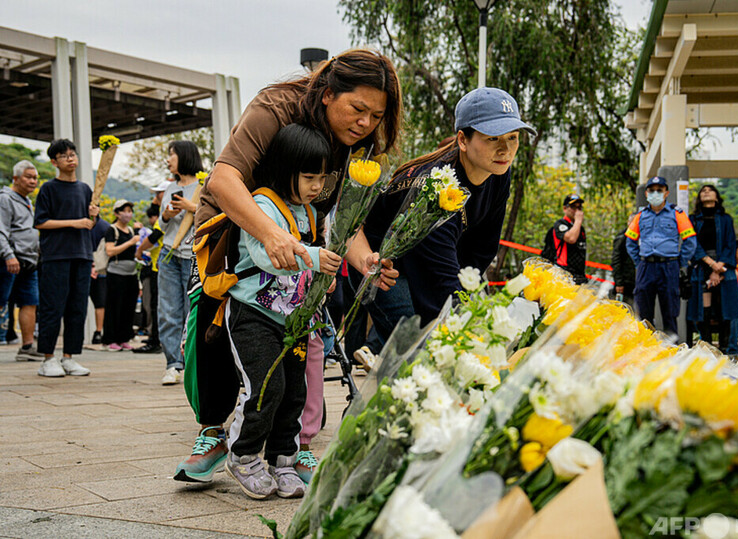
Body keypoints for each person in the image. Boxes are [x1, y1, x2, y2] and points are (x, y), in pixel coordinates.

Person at [173, 48, 402, 485]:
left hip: (290, 254)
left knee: (293, 361)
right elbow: (223, 180)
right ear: (328, 94)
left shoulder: (352, 146)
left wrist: (366, 260)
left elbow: (340, 219)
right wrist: (269, 233)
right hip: (232, 232)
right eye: (358, 109)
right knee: (218, 333)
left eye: (376, 116)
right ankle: (213, 432)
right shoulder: (275, 106)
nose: (365, 123)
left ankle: (289, 447)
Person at [346, 86, 536, 359]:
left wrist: (469, 298)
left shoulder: (499, 173)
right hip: (384, 268)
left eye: (513, 137)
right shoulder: (437, 187)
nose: (505, 149)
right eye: (493, 137)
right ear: (462, 140)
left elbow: (481, 249)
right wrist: (466, 316)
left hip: (429, 265)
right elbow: (440, 280)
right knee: (421, 354)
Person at [223, 123, 341, 499]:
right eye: (309, 177)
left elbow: (304, 264)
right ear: (284, 168)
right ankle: (242, 456)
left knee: (295, 391)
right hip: (252, 315)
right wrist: (317, 258)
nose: (316, 186)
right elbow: (267, 256)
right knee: (266, 387)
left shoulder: (307, 211)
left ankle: (283, 460)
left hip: (291, 319)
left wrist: (321, 278)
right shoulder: (261, 206)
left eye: (322, 178)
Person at [34, 139, 98, 377]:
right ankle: (48, 358)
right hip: (56, 256)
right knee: (53, 307)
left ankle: (69, 357)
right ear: (54, 162)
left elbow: (92, 225)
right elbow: (40, 221)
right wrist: (75, 222)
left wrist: (94, 215)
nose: (70, 158)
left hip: (82, 255)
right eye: (64, 156)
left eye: (73, 154)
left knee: (77, 308)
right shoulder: (48, 189)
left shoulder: (84, 189)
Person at [625, 176, 697, 336]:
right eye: (652, 190)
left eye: (659, 190)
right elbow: (630, 241)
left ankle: (671, 352)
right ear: (646, 193)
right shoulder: (640, 216)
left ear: (666, 193)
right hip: (646, 266)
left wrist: (680, 262)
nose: (655, 193)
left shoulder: (678, 214)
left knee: (670, 312)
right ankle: (644, 349)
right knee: (644, 312)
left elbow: (690, 241)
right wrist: (639, 263)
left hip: (669, 266)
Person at [158, 140, 203, 385]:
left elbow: (213, 215)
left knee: (191, 311)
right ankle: (172, 364)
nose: (168, 160)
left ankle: (190, 363)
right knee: (167, 310)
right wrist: (166, 215)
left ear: (184, 156)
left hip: (194, 255)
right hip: (168, 254)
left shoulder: (204, 185)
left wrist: (191, 207)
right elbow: (161, 223)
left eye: (171, 155)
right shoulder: (169, 187)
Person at [686, 184, 738, 352]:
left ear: (717, 197)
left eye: (710, 190)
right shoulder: (693, 219)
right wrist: (711, 265)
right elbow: (692, 243)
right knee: (704, 312)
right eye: (703, 191)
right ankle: (708, 348)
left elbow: (730, 244)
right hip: (703, 265)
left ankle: (724, 349)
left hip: (723, 267)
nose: (706, 192)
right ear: (699, 198)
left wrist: (719, 267)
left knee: (726, 310)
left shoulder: (725, 219)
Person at [0, 160, 44, 361]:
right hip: (9, 259)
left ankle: (27, 347)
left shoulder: (28, 202)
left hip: (29, 260)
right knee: (1, 301)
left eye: (35, 177)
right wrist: (8, 255)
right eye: (28, 177)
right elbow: (1, 230)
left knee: (30, 302)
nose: (33, 181)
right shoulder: (5, 199)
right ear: (15, 178)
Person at [101, 200, 140, 351]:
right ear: (116, 213)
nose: (128, 214)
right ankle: (109, 339)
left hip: (131, 273)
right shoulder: (112, 230)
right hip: (116, 273)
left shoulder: (130, 230)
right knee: (113, 306)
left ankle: (124, 337)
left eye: (130, 211)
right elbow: (110, 251)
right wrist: (130, 242)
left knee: (128, 306)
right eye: (124, 210)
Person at [134, 204, 162, 353]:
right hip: (159, 267)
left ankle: (155, 341)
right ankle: (155, 338)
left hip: (160, 269)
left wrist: (139, 250)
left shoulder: (162, 219)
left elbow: (154, 237)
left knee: (156, 306)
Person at [549, 194, 587, 284]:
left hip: (579, 274)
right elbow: (571, 238)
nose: (577, 211)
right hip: (563, 272)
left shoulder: (580, 229)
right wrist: (578, 221)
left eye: (579, 208)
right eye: (573, 207)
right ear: (565, 208)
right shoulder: (560, 224)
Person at [89, 217, 111, 344]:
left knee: (100, 303)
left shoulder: (104, 226)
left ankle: (98, 331)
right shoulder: (80, 222)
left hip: (100, 269)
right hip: (89, 265)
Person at [611, 214, 636, 306]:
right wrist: (619, 282)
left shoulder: (641, 238)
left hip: (636, 283)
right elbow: (616, 261)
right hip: (625, 284)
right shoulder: (622, 238)